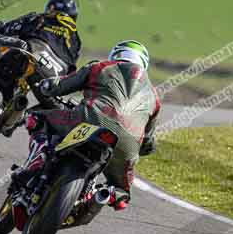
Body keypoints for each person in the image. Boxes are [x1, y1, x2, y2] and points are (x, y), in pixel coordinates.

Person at [17, 40, 161, 210]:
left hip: (88, 120)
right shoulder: (154, 95)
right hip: (127, 146)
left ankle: (36, 163)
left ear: (116, 55)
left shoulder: (100, 67)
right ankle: (105, 195)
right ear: (143, 63)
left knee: (36, 117)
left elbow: (61, 85)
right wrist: (142, 148)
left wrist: (46, 86)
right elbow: (148, 142)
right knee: (121, 191)